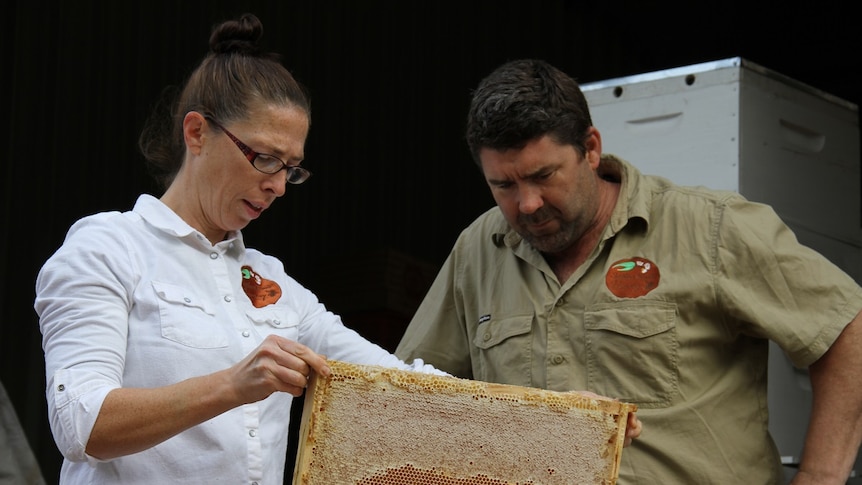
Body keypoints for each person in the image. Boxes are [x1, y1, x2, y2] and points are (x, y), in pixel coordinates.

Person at [395, 58, 862, 484]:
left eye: (543, 176)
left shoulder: (711, 228)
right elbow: (408, 394)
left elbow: (847, 328)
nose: (528, 204)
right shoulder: (477, 250)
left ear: (591, 148)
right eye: (503, 185)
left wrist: (819, 477)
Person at [32, 13, 452, 485]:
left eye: (291, 168)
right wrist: (232, 385)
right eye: (265, 158)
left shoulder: (274, 282)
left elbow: (396, 382)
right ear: (196, 133)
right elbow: (80, 425)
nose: (278, 186)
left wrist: (503, 410)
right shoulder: (108, 247)